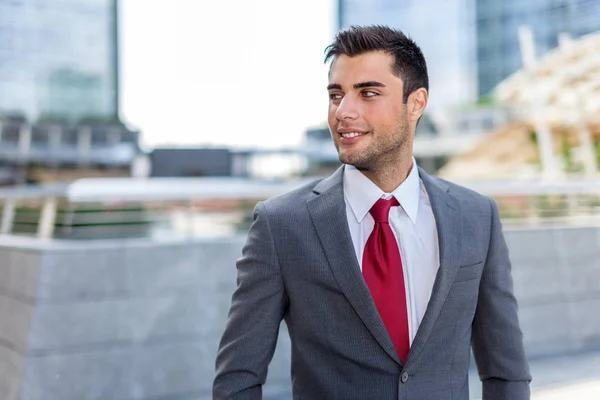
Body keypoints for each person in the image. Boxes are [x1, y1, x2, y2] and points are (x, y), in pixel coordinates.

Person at [213, 25, 531, 399]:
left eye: (367, 93)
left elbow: (506, 372)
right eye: (336, 95)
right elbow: (238, 378)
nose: (343, 112)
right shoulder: (281, 224)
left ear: (416, 103)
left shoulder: (476, 216)